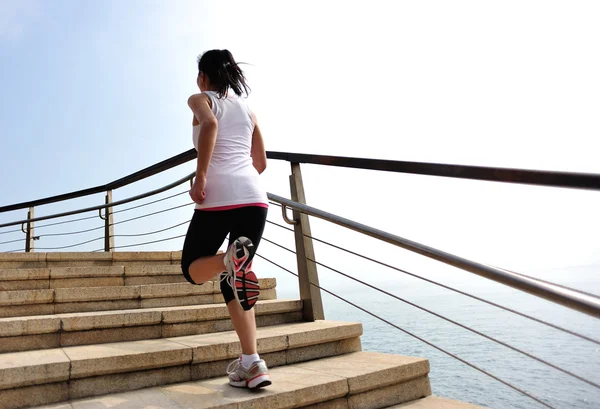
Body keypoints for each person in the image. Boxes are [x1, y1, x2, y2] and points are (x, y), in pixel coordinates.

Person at [180, 49, 271, 389]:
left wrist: (201, 177)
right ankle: (252, 363)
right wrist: (242, 176)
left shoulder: (199, 99)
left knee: (192, 268)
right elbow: (260, 161)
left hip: (217, 197)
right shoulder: (248, 109)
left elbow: (210, 123)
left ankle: (226, 259)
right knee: (235, 279)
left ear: (203, 77)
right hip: (254, 197)